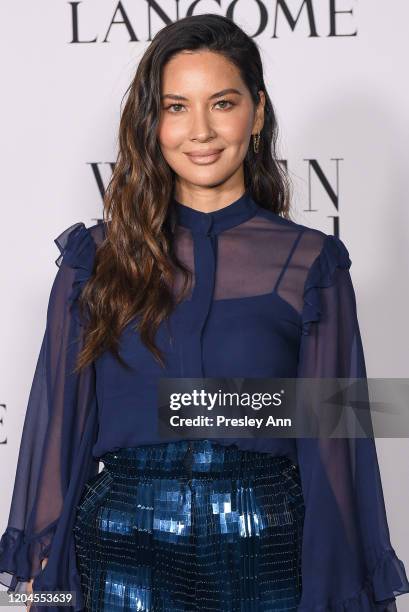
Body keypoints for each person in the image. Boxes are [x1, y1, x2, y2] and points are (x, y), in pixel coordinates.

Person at [1, 13, 408, 612]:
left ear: (257, 112)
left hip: (268, 550)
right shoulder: (96, 259)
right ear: (153, 121)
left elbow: (337, 444)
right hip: (120, 548)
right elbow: (58, 432)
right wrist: (50, 591)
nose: (201, 130)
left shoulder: (313, 264)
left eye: (222, 103)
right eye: (176, 107)